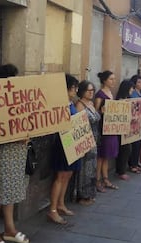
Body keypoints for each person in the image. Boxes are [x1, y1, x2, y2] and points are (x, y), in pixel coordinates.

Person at [0, 64, 30, 243]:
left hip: (17, 151)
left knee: (11, 189)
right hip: (1, 152)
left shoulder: (16, 100)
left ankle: (10, 229)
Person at [47, 73, 80, 224]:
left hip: (72, 143)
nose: (75, 91)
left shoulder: (71, 103)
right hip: (62, 143)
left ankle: (60, 203)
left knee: (68, 174)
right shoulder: (59, 105)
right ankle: (52, 209)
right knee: (60, 176)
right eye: (73, 88)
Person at [75, 80, 101, 205]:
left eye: (92, 90)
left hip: (94, 139)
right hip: (85, 140)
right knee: (85, 168)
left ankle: (90, 193)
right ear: (82, 91)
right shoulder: (80, 105)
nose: (91, 93)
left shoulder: (91, 103)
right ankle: (82, 195)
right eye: (88, 90)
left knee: (92, 167)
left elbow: (96, 117)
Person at [94, 71, 119, 191]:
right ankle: (97, 180)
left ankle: (106, 178)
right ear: (104, 81)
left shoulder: (111, 93)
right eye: (111, 79)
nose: (113, 81)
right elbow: (95, 112)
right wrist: (101, 111)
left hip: (110, 128)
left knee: (107, 155)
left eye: (114, 79)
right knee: (101, 156)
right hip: (102, 129)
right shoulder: (100, 94)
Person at [115, 79, 135, 180]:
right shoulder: (120, 100)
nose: (132, 90)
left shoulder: (129, 99)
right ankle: (121, 171)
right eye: (131, 88)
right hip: (121, 129)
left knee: (128, 149)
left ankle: (123, 169)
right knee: (124, 149)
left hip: (129, 129)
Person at [128, 75, 141, 173]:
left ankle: (136, 162)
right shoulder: (133, 93)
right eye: (138, 82)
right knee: (134, 144)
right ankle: (132, 164)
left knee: (139, 143)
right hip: (134, 121)